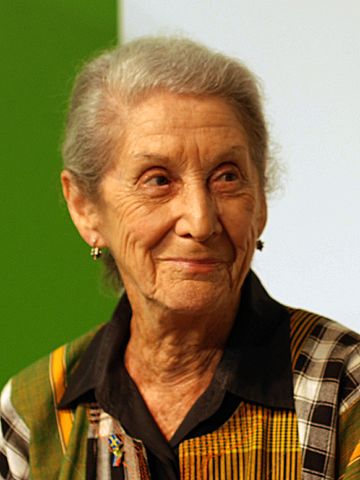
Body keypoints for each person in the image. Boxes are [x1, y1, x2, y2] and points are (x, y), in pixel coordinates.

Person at [0, 36, 359, 480]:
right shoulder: (34, 414)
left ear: (261, 201)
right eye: (158, 180)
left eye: (227, 177)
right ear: (85, 208)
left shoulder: (345, 387)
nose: (200, 220)